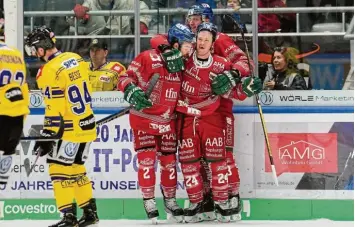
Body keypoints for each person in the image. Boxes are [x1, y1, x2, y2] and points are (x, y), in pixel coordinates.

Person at [177, 22, 261, 223]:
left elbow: (234, 88)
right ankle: (196, 202)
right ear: (195, 40)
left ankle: (223, 202)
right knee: (189, 165)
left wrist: (246, 88)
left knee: (218, 164)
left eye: (206, 40)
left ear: (213, 43)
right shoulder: (183, 61)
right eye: (200, 39)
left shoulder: (222, 64)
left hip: (213, 119)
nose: (202, 43)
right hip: (187, 120)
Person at [116, 23, 195, 224]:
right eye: (187, 45)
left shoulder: (185, 64)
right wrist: (131, 90)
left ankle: (170, 199)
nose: (191, 49)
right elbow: (124, 77)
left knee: (169, 163)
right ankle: (149, 200)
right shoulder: (148, 57)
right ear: (176, 44)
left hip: (168, 120)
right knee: (147, 162)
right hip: (144, 119)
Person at [25, 26, 99, 227]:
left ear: (41, 48)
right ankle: (90, 213)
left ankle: (68, 217)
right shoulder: (75, 58)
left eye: (34, 48)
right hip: (87, 125)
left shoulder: (48, 71)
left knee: (59, 169)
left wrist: (48, 134)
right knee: (77, 168)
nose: (33, 53)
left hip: (69, 129)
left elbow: (54, 108)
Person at [0, 42, 30, 187]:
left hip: (1, 111)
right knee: (1, 180)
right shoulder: (16, 54)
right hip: (17, 115)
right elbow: (24, 88)